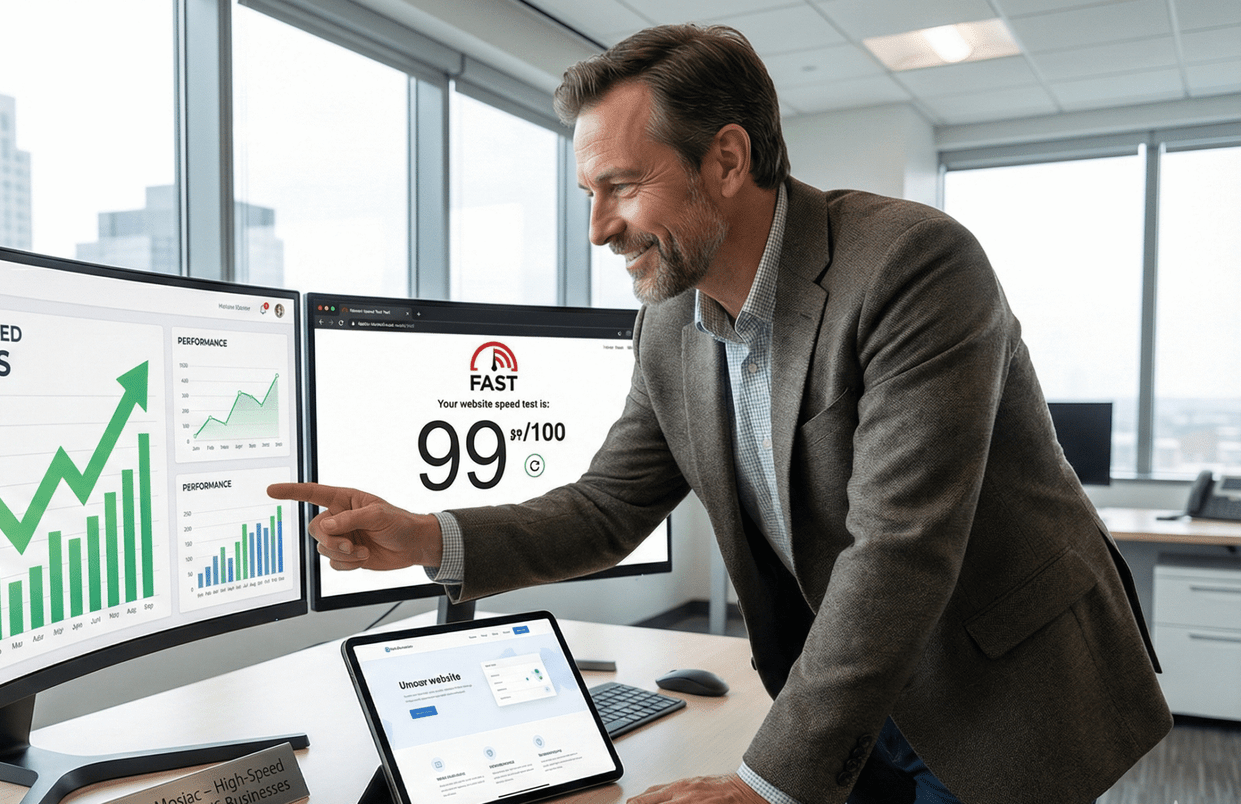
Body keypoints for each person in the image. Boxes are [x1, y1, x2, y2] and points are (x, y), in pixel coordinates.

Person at [270, 24, 1171, 804]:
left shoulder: (912, 265)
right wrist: (426, 535)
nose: (598, 231)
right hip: (849, 685)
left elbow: (900, 550)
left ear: (728, 160)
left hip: (996, 680)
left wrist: (764, 784)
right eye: (589, 195)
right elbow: (606, 507)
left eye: (620, 186)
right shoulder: (670, 326)